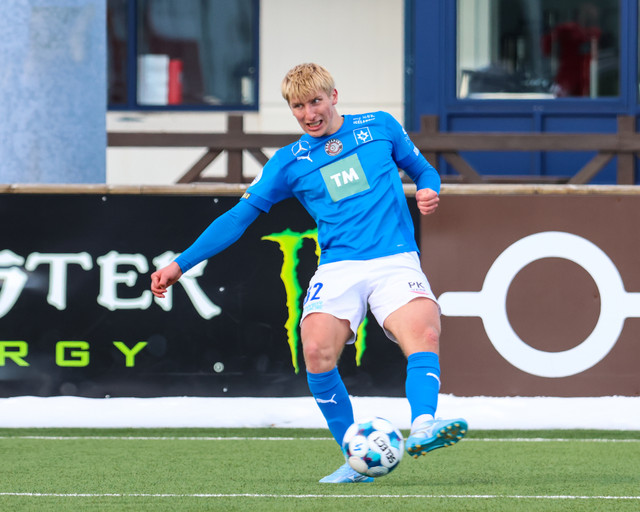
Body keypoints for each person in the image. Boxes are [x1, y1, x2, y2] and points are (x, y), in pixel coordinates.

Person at [151, 63, 467, 483]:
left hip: (394, 259)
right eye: (298, 107)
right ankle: (355, 458)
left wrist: (429, 189)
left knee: (424, 332)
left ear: (334, 96)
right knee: (316, 350)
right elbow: (238, 218)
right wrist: (180, 264)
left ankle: (424, 424)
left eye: (315, 102)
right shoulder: (289, 162)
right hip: (338, 266)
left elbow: (423, 169)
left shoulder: (380, 126)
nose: (308, 114)